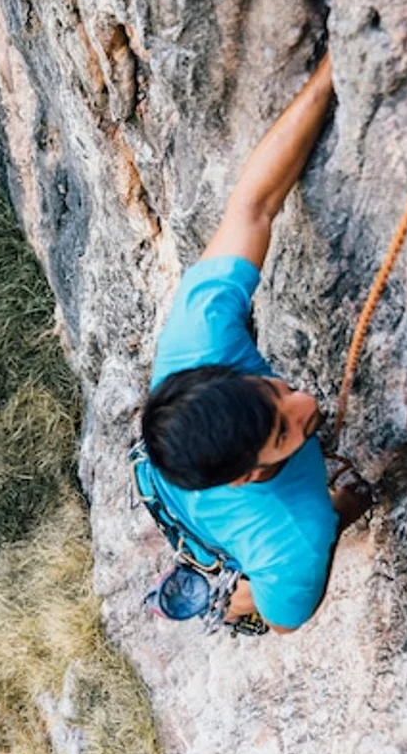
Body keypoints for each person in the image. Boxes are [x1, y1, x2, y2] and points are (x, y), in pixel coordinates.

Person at [138, 54, 370, 634]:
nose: (305, 402)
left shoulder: (200, 336)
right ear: (247, 474)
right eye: (284, 432)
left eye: (275, 391)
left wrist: (335, 68)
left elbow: (254, 205)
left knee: (212, 533)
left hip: (176, 483)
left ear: (222, 372)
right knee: (243, 598)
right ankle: (224, 597)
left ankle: (203, 567)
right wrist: (336, 517)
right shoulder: (293, 536)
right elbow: (283, 622)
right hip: (243, 532)